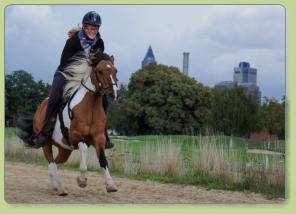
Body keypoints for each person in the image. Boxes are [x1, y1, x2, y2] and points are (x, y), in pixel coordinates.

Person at [33, 11, 114, 149]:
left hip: (86, 77)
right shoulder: (73, 41)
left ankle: (103, 133)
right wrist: (85, 62)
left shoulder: (99, 42)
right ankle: (44, 132)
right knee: (55, 97)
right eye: (88, 27)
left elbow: (99, 62)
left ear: (98, 29)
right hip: (65, 73)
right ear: (83, 27)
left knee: (104, 98)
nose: (91, 30)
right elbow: (64, 62)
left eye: (94, 28)